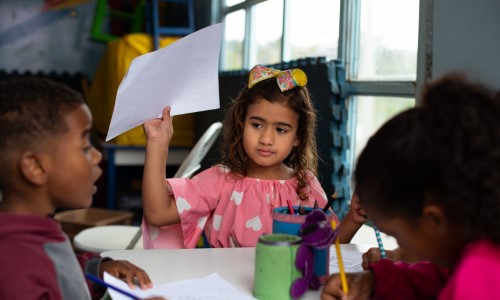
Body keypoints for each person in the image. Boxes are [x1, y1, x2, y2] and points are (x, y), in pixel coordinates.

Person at [321, 73, 500, 300]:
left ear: (435, 220)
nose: (399, 245)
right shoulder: (473, 248)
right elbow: (438, 277)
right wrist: (374, 281)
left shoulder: (482, 274)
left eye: (396, 235)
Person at [141, 64, 360, 248]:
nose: (266, 138)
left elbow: (330, 246)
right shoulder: (219, 181)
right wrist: (157, 143)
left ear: (298, 137)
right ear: (241, 124)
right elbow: (158, 214)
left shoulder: (305, 185)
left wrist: (353, 218)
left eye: (281, 129)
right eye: (257, 124)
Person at [0, 78, 162, 300]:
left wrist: (97, 270)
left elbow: (58, 273)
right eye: (86, 147)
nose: (97, 156)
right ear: (36, 167)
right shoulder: (16, 270)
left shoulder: (36, 231)